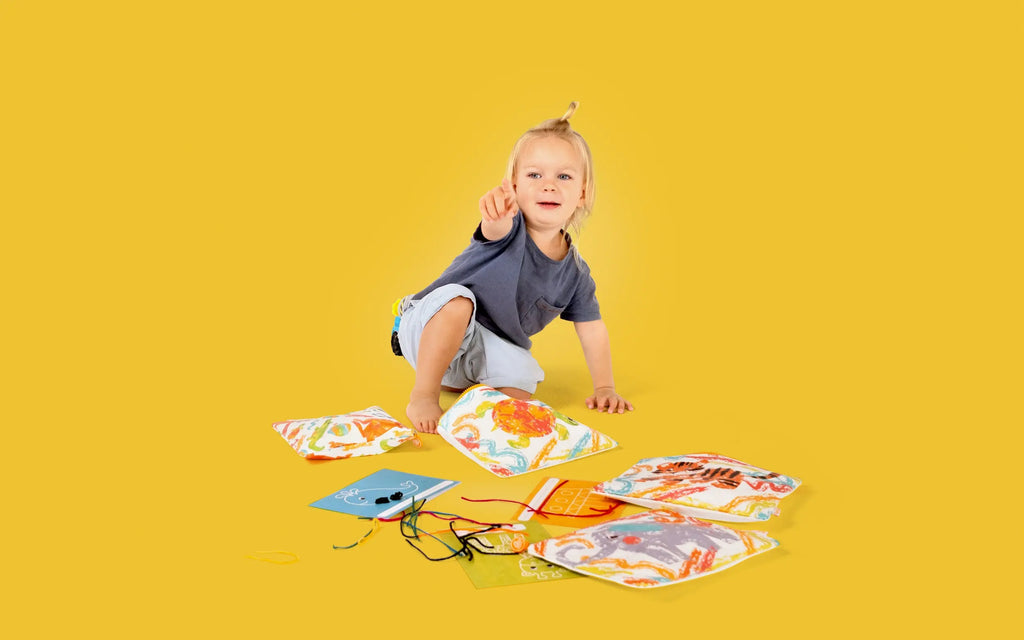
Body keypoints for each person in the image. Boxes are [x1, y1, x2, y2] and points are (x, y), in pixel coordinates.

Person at [396, 102, 633, 433]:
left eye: (563, 176)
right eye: (534, 175)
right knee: (458, 300)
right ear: (515, 187)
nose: (548, 185)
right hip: (425, 328)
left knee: (523, 385)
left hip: (478, 350)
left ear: (581, 193)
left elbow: (592, 329)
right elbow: (494, 228)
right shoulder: (508, 228)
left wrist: (604, 386)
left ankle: (462, 384)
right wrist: (496, 214)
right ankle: (424, 392)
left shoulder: (576, 273)